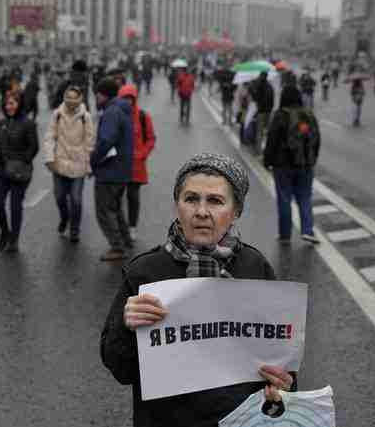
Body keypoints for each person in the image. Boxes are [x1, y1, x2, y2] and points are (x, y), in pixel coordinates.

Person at [101, 153, 298, 427]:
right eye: (191, 199)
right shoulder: (146, 273)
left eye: (215, 201)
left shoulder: (255, 269)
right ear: (177, 205)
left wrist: (283, 386)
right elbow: (120, 369)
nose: (201, 212)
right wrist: (126, 327)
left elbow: (280, 359)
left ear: (236, 211)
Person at [264, 85, 321, 245]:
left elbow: (272, 141)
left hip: (283, 165)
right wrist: (312, 159)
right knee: (305, 198)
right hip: (305, 165)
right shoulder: (308, 115)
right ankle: (308, 231)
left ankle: (285, 235)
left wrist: (267, 161)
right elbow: (317, 140)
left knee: (284, 199)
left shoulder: (281, 115)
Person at [42, 86, 95, 243]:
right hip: (59, 163)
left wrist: (88, 164)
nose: (71, 101)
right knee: (59, 197)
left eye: (74, 98)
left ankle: (74, 229)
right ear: (64, 97)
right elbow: (49, 137)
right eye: (68, 97)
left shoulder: (85, 117)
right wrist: (49, 158)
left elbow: (89, 142)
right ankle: (64, 218)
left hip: (78, 165)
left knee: (76, 199)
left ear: (80, 99)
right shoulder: (57, 114)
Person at [90, 78, 134, 261]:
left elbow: (106, 140)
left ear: (103, 94)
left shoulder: (111, 112)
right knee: (115, 208)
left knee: (104, 211)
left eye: (97, 94)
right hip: (122, 170)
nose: (96, 98)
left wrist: (93, 159)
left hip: (109, 170)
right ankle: (125, 240)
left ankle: (117, 247)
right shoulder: (122, 109)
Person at [0, 93, 39, 253]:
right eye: (6, 104)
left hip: (19, 173)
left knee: (15, 206)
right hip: (0, 171)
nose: (9, 107)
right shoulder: (1, 123)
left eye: (12, 103)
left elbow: (33, 147)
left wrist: (22, 161)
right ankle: (4, 232)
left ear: (19, 104)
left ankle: (14, 239)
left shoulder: (28, 123)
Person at [118, 84, 156, 242]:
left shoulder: (142, 116)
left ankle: (132, 227)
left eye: (130, 98)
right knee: (116, 199)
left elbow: (151, 138)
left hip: (136, 166)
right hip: (118, 165)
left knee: (133, 197)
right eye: (124, 98)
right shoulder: (116, 116)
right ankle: (121, 228)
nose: (128, 101)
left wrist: (142, 154)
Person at [249, 72, 275, 155]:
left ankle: (258, 150)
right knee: (267, 131)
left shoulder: (258, 86)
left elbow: (255, 98)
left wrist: (252, 89)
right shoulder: (270, 86)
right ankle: (267, 149)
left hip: (261, 111)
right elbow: (272, 100)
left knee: (259, 132)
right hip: (268, 112)